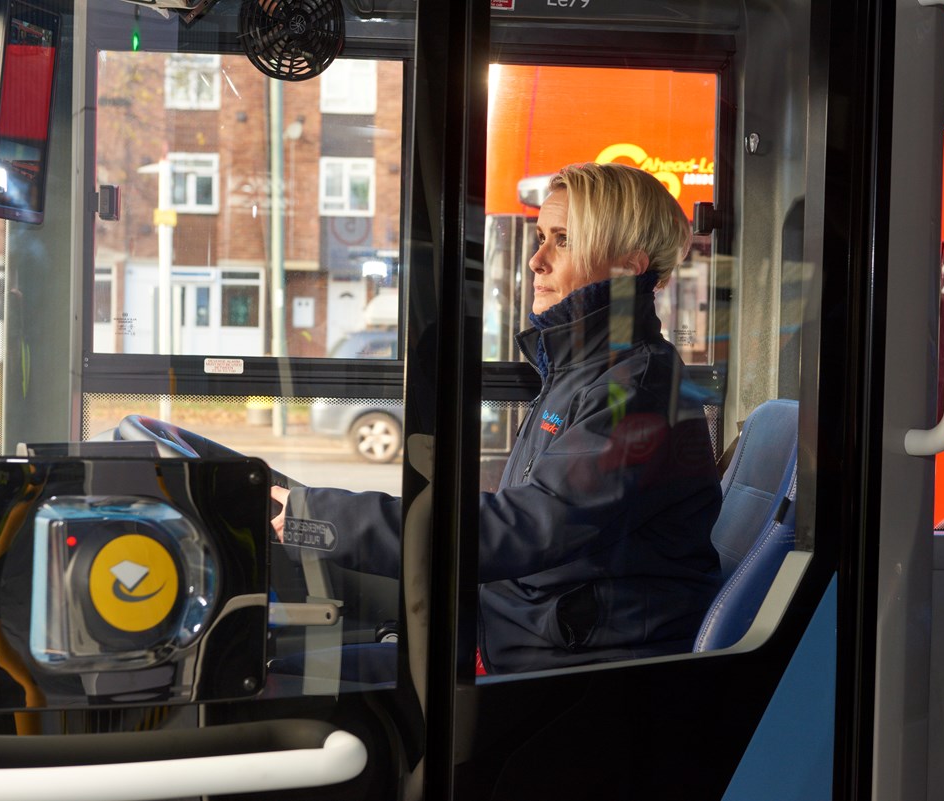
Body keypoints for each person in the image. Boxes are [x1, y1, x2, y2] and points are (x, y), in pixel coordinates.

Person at [273, 162, 723, 674]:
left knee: (289, 685)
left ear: (626, 268)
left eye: (564, 241)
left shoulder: (632, 392)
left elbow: (529, 529)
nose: (536, 260)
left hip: (564, 669)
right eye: (540, 238)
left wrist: (321, 519)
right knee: (293, 667)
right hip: (515, 634)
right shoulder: (585, 370)